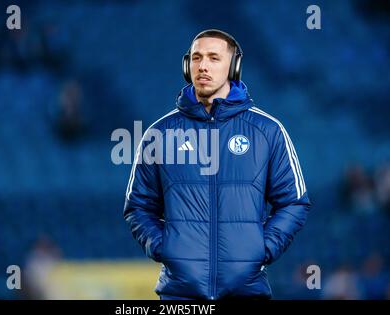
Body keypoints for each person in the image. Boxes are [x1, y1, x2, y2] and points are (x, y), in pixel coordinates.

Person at [123, 29, 311, 299]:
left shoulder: (268, 131)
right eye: (197, 58)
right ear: (187, 66)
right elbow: (138, 206)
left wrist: (261, 248)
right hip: (180, 294)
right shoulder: (160, 134)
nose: (203, 66)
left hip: (246, 291)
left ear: (234, 67)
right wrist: (165, 248)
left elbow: (294, 202)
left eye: (214, 58)